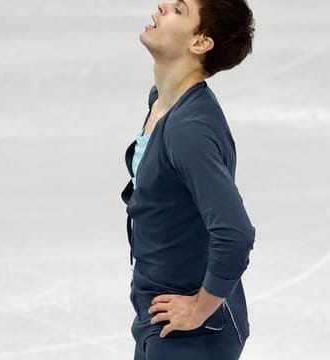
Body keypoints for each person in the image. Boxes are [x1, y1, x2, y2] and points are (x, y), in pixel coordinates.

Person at [121, 0, 256, 359]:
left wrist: (199, 307)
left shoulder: (188, 130)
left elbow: (235, 233)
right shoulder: (162, 103)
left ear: (200, 43)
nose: (162, 6)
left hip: (193, 335)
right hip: (161, 320)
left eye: (179, 10)